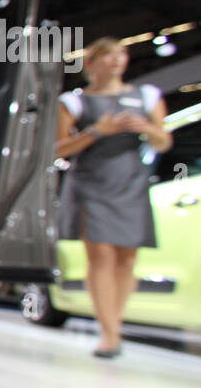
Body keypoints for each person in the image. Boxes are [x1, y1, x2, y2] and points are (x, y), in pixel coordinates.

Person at [55, 37, 171, 357]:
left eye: (122, 55)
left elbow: (163, 142)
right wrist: (97, 132)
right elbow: (58, 149)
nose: (117, 61)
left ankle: (114, 322)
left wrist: (148, 129)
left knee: (127, 259)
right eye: (108, 56)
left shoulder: (146, 97)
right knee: (101, 255)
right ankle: (108, 333)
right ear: (91, 63)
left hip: (131, 181)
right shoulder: (74, 102)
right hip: (91, 182)